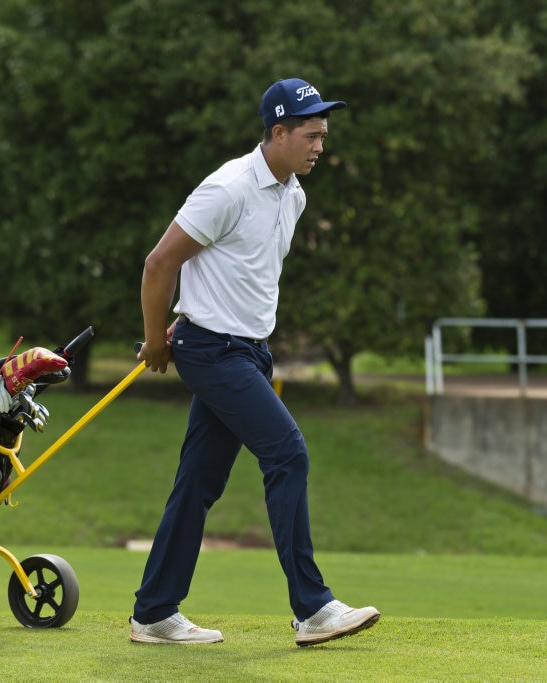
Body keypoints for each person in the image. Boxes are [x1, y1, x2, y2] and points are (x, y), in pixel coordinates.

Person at [129, 78, 380, 646]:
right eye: (311, 135)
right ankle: (313, 609)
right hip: (212, 351)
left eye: (323, 135)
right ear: (278, 132)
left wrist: (192, 312)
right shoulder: (229, 187)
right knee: (287, 452)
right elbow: (158, 264)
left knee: (198, 483)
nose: (321, 145)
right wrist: (159, 339)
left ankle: (153, 613)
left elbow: (234, 271)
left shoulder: (293, 196)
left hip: (247, 351)